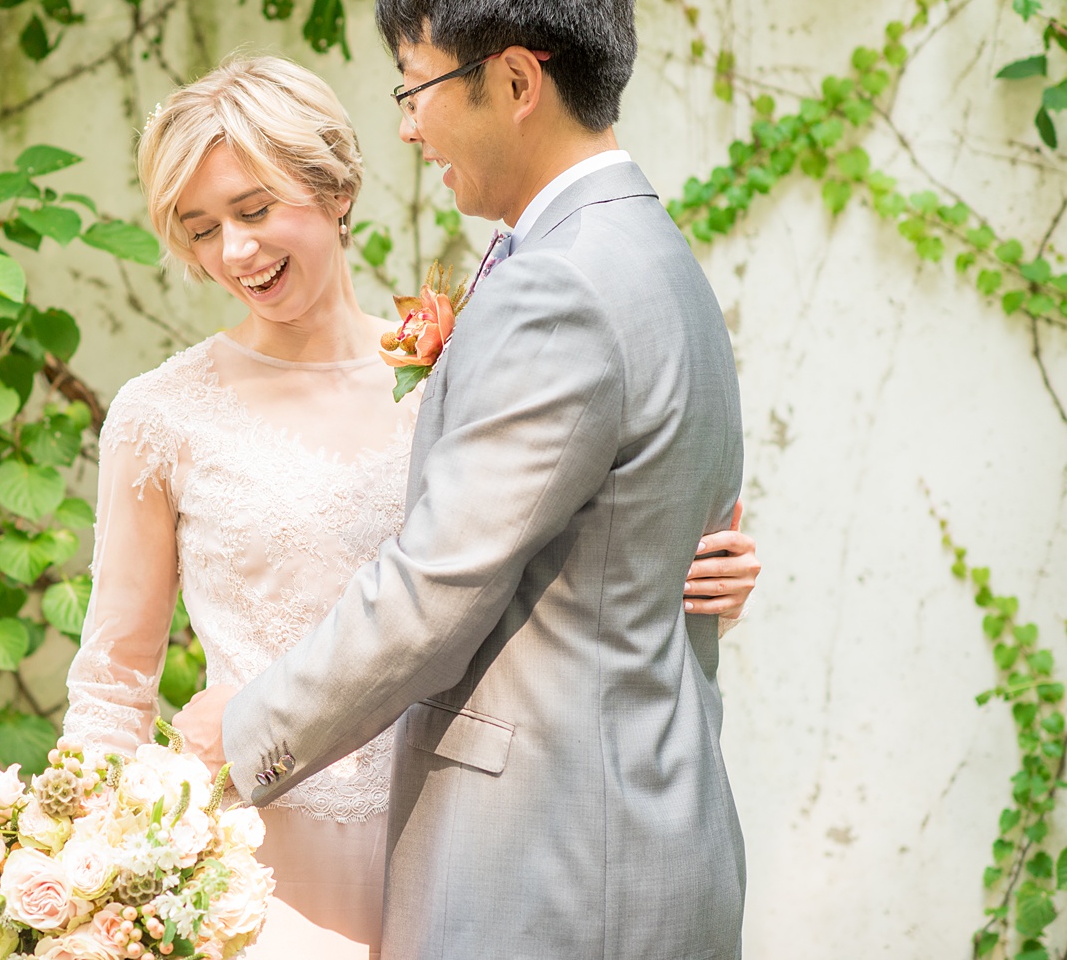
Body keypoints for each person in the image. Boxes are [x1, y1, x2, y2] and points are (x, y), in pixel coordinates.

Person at [65, 50, 759, 952]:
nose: (234, 250)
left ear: (333, 187)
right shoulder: (160, 416)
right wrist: (85, 879)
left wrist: (684, 570)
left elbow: (537, 568)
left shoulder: (467, 362)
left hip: (461, 831)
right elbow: (114, 683)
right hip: (257, 853)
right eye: (199, 229)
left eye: (255, 208)